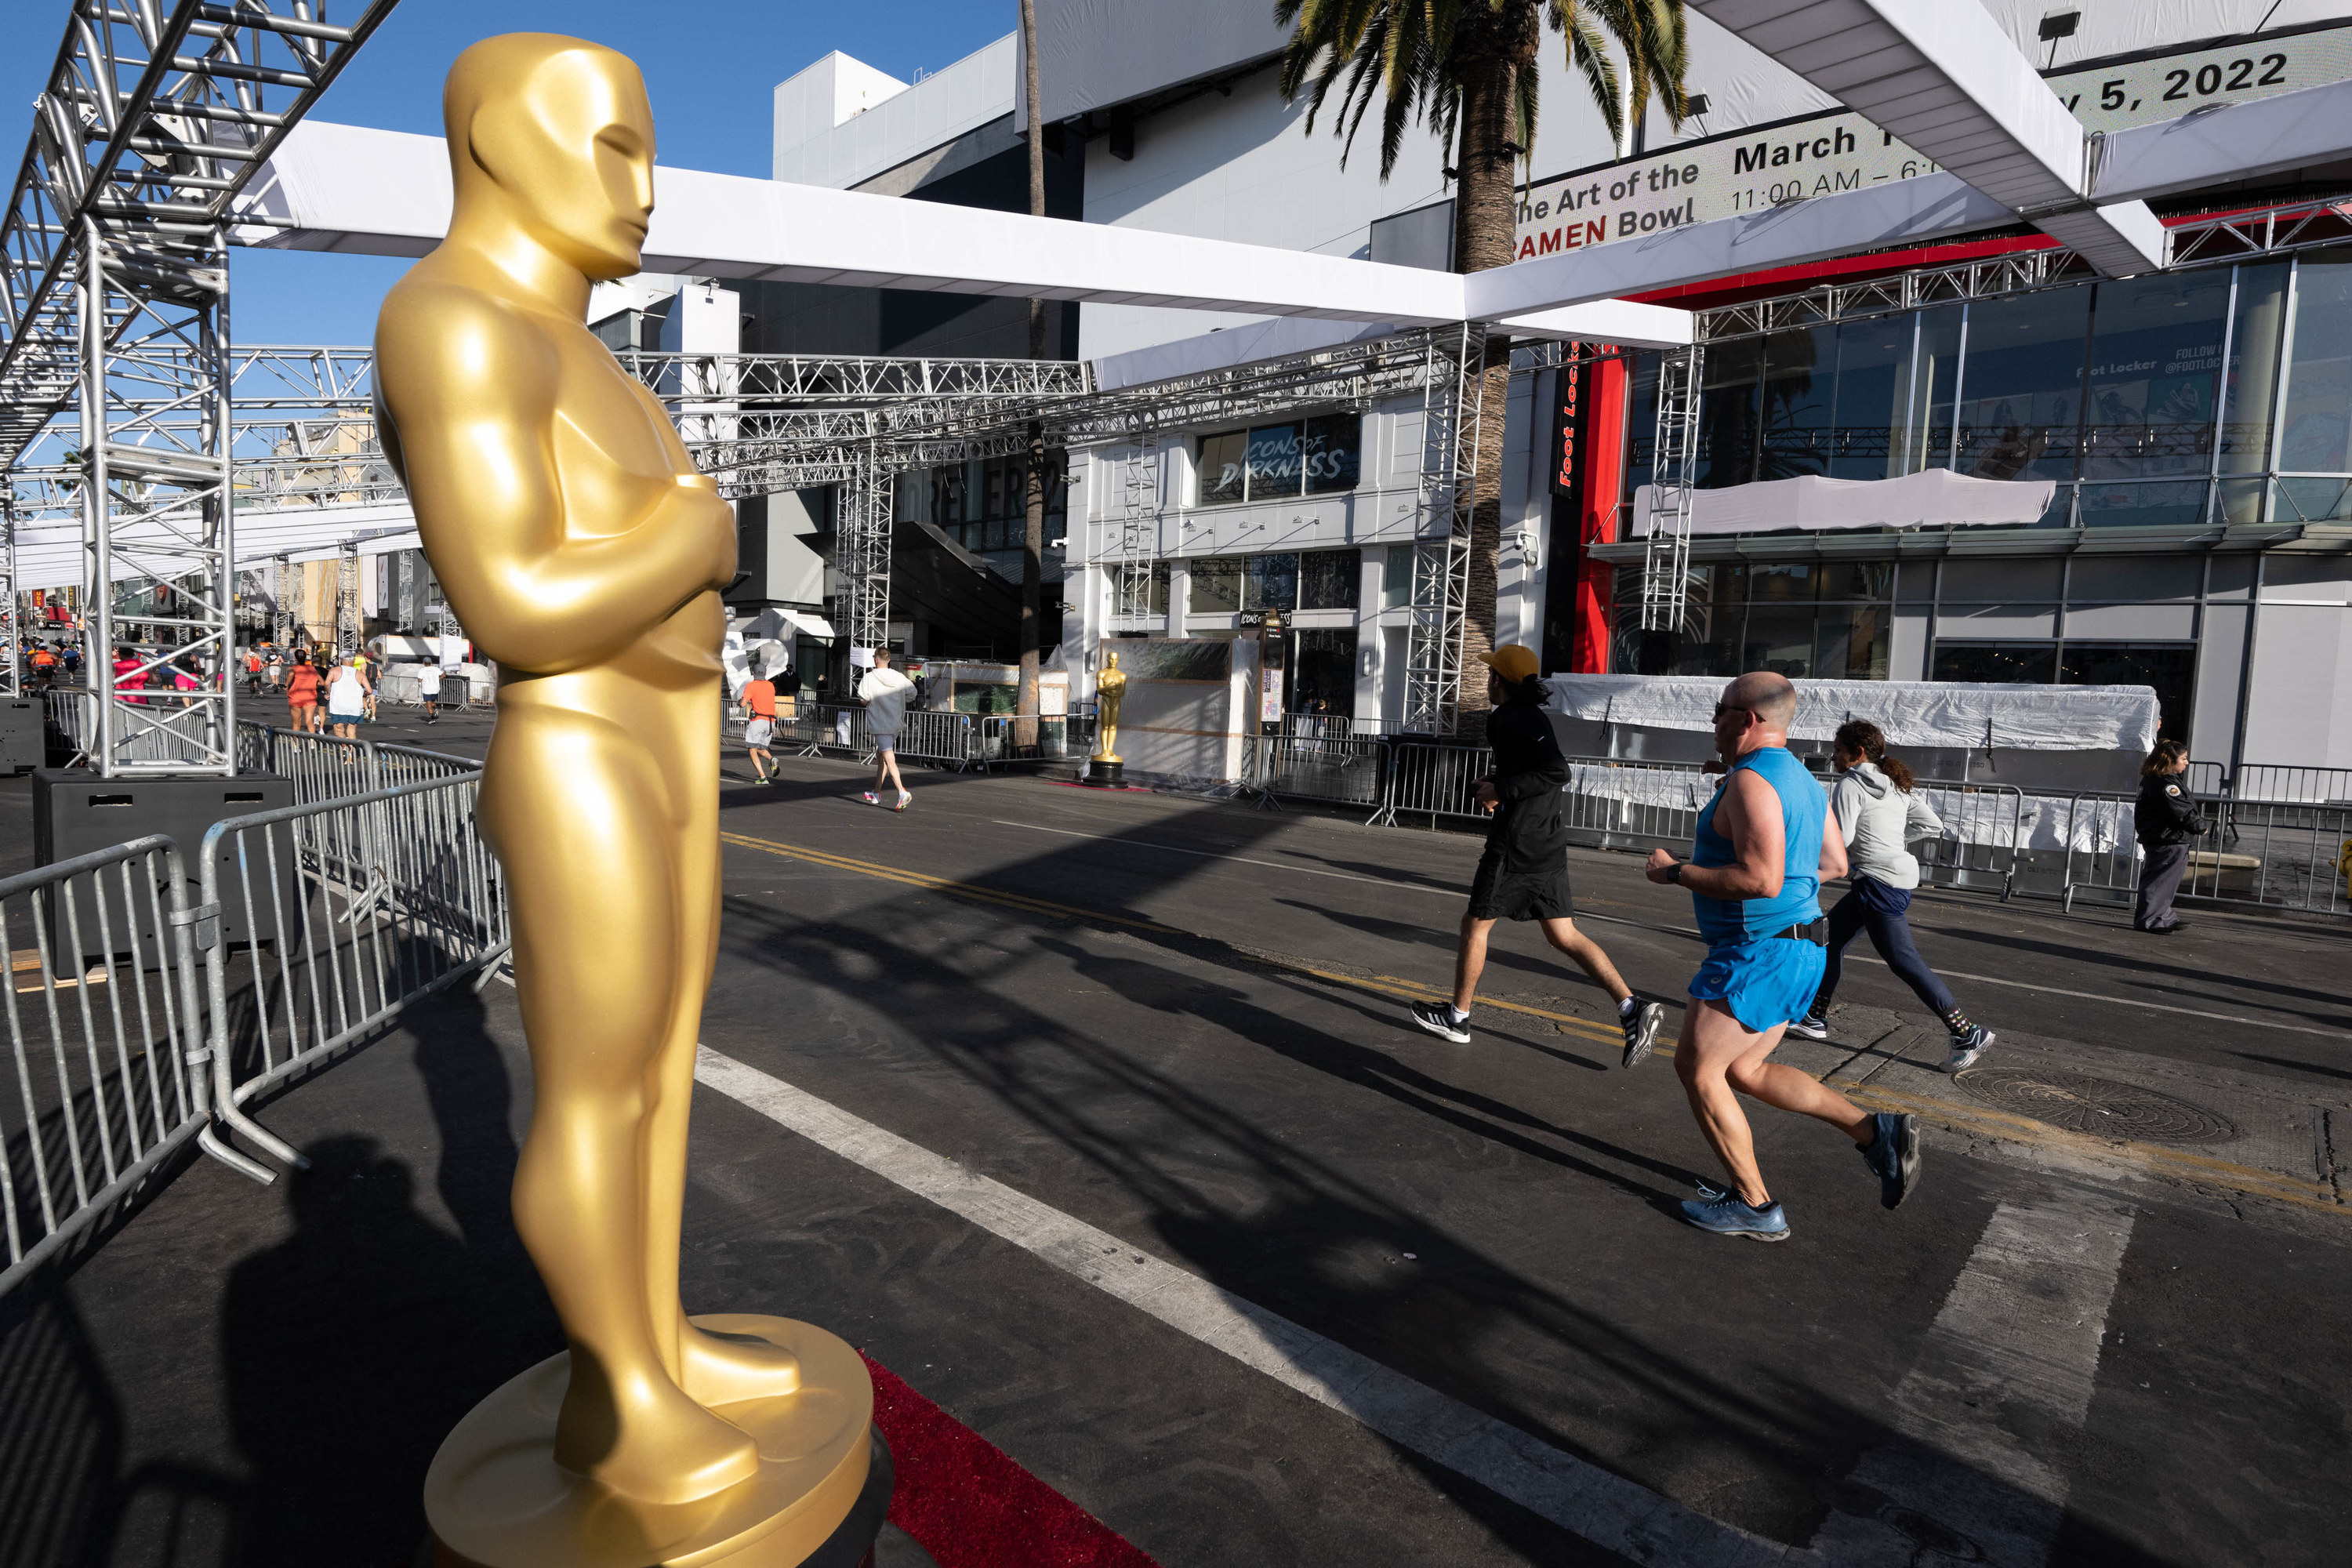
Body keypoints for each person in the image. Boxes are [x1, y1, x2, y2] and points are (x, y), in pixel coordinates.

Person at [1643, 671, 1921, 1241]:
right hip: (1802, 947)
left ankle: (1754, 1204)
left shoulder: (1750, 783)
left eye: (1720, 711)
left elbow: (1760, 879)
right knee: (1744, 1069)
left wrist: (1675, 872)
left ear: (1748, 721)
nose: (1713, 721)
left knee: (1697, 1068)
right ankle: (1875, 1133)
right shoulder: (1797, 777)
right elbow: (1835, 866)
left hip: (1758, 953)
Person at [1406, 644, 1664, 1065]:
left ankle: (1457, 1019)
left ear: (1499, 681)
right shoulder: (1532, 717)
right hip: (1546, 843)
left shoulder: (1506, 718)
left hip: (1516, 846)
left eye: (1491, 676)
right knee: (1563, 935)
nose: (1487, 682)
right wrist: (1497, 784)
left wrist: (1503, 789)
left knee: (1475, 926)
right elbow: (1535, 769)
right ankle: (1632, 1008)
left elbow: (1555, 771)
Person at [1788, 720, 1994, 1073]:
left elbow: (1845, 837)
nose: (1834, 757)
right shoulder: (1894, 784)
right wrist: (1892, 843)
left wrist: (1813, 853)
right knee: (1828, 940)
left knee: (1904, 961)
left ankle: (1966, 1033)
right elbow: (1932, 824)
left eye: (1838, 750)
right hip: (1887, 880)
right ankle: (1815, 1018)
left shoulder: (1851, 784)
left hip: (1878, 884)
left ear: (1858, 753)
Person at [2133, 739, 2205, 935]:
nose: (2186, 763)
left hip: (2165, 837)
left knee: (2165, 881)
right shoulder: (2164, 783)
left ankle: (2163, 916)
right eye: (2183, 758)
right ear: (2170, 760)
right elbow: (2179, 810)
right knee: (2160, 880)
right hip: (2168, 838)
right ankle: (2151, 920)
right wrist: (2200, 827)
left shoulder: (2158, 779)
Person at [857, 648, 914, 810]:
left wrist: (870, 701)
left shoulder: (869, 677)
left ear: (876, 660)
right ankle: (877, 792)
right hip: (895, 721)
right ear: (888, 659)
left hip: (880, 723)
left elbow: (863, 700)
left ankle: (902, 791)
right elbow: (913, 693)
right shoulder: (899, 676)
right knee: (881, 755)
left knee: (888, 757)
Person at [739, 662, 779, 783]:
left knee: (752, 749)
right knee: (760, 748)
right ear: (765, 673)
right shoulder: (770, 686)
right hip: (771, 721)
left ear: (753, 673)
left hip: (758, 720)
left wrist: (739, 701)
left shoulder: (751, 686)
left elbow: (743, 704)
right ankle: (772, 759)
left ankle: (763, 777)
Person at [324, 655, 369, 739]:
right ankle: (351, 751)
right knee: (352, 731)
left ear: (341, 660)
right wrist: (364, 694)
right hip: (355, 706)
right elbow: (369, 690)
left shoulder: (334, 670)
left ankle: (345, 746)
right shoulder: (360, 674)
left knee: (338, 729)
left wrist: (329, 693)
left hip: (338, 705)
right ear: (354, 661)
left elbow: (326, 683)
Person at [285, 654, 321, 733]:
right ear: (305, 658)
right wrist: (312, 683)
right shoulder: (312, 669)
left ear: (295, 658)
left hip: (295, 697)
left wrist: (286, 685)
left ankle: (295, 744)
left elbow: (291, 674)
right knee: (309, 721)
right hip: (310, 697)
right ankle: (312, 743)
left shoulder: (292, 668)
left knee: (296, 723)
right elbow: (322, 682)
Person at [416, 656, 444, 723]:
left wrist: (420, 681)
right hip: (436, 688)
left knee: (428, 705)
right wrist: (438, 679)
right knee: (432, 702)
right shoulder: (436, 669)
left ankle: (432, 719)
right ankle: (435, 709)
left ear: (423, 663)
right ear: (431, 663)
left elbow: (419, 680)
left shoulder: (422, 670)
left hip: (427, 689)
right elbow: (443, 675)